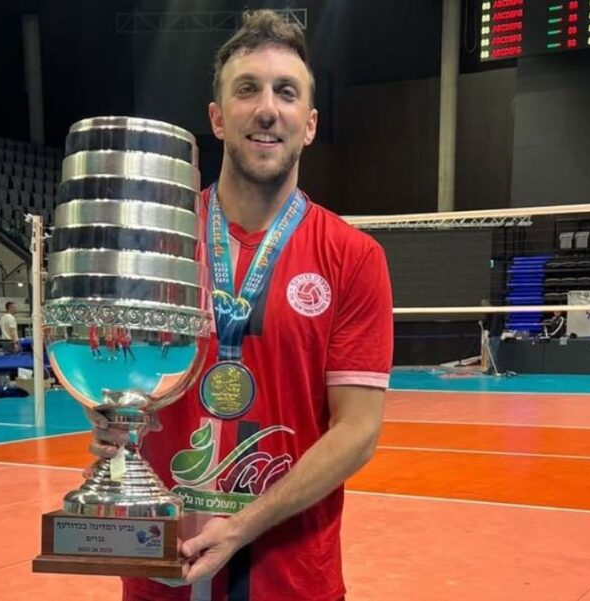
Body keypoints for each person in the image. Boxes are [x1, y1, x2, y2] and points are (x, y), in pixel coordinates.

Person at [86, 11, 393, 600]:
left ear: (309, 123)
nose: (267, 109)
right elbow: (121, 382)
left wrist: (242, 528)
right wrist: (110, 425)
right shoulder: (156, 244)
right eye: (247, 88)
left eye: (287, 92)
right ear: (217, 117)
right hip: (161, 571)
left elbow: (358, 430)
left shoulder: (353, 257)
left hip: (291, 580)